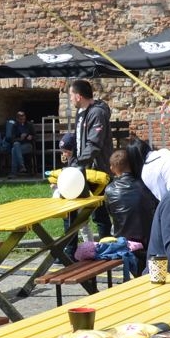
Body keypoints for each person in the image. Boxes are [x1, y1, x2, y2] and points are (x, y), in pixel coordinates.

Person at [66, 79, 113, 247]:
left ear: (79, 96)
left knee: (99, 213)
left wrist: (77, 163)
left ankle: (106, 248)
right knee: (71, 210)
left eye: (71, 95)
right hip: (81, 169)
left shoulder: (97, 113)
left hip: (96, 170)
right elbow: (80, 141)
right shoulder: (81, 112)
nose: (70, 99)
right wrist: (72, 159)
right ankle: (70, 251)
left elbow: (94, 144)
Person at [103, 149, 158, 277]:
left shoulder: (110, 190)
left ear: (112, 168)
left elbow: (110, 212)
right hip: (148, 240)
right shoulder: (145, 184)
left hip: (124, 242)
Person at [5, 111, 35, 176]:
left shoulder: (29, 125)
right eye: (20, 119)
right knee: (15, 147)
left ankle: (14, 172)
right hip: (19, 145)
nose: (22, 120)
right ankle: (21, 165)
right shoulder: (15, 126)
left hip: (28, 145)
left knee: (14, 149)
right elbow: (12, 139)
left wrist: (31, 137)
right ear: (17, 119)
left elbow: (35, 136)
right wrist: (20, 138)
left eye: (23, 118)